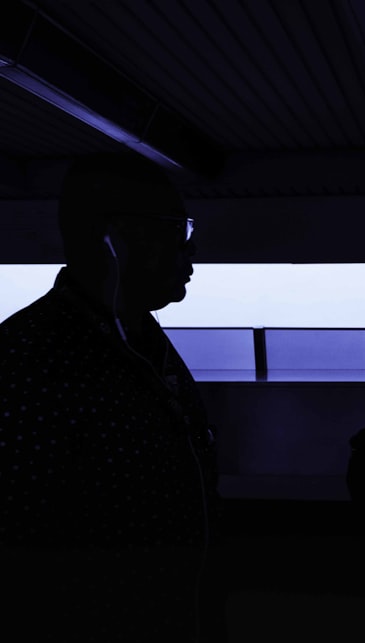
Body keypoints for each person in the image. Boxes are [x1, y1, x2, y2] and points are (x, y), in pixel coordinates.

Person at [0, 153, 223, 642]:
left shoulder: (139, 336)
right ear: (116, 237)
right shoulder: (26, 363)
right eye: (177, 229)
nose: (191, 253)